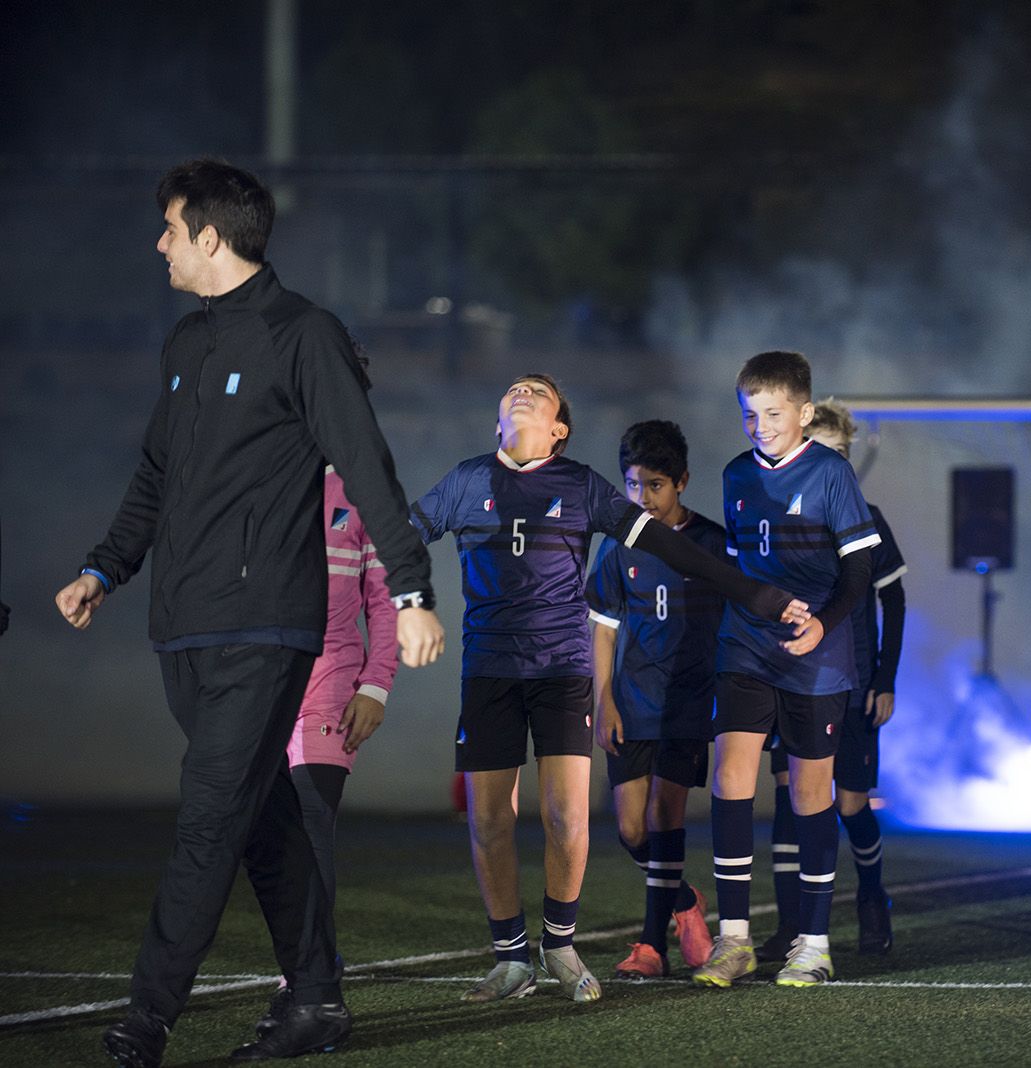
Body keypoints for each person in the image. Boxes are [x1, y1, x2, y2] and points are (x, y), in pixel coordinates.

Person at [54, 158, 444, 1068]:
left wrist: (414, 590)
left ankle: (145, 1022)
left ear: (211, 237)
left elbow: (369, 464)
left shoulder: (304, 334)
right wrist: (104, 568)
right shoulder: (186, 342)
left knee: (207, 821)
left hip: (265, 625)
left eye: (170, 229)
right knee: (262, 819)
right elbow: (156, 475)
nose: (159, 244)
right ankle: (315, 1000)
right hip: (181, 628)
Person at [408, 374, 807, 1006]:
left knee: (568, 814)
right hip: (488, 670)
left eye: (537, 393)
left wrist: (760, 595)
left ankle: (560, 946)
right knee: (490, 817)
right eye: (513, 390)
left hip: (563, 671)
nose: (522, 393)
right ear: (496, 422)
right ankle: (510, 958)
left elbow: (678, 551)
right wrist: (403, 595)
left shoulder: (581, 486)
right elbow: (399, 536)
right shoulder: (466, 480)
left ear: (558, 429)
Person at [692, 352, 880, 990]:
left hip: (817, 655)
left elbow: (860, 573)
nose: (760, 424)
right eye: (750, 413)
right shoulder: (735, 475)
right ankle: (735, 939)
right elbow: (743, 570)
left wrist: (824, 624)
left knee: (807, 795)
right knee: (730, 774)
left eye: (773, 413)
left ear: (803, 412)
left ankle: (814, 942)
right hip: (746, 646)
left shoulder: (832, 474)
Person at [254, 446, 399, 1036]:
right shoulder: (256, 474)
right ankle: (313, 968)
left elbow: (385, 601)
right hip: (261, 685)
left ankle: (306, 986)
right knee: (264, 835)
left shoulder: (363, 489)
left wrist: (377, 685)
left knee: (311, 826)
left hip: (331, 683)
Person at [758, 399, 905, 960]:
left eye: (842, 454)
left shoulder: (864, 517)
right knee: (788, 798)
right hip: (789, 676)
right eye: (823, 451)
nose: (832, 463)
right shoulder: (776, 514)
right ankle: (788, 924)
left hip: (850, 681)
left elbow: (893, 597)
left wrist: (884, 676)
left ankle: (873, 899)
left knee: (848, 805)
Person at [586, 420, 720, 979]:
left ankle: (650, 947)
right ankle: (686, 902)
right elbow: (603, 627)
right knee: (631, 830)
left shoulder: (714, 543)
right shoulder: (620, 545)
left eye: (656, 485)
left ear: (682, 482)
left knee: (666, 820)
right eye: (633, 485)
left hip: (686, 704)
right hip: (633, 702)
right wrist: (604, 699)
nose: (643, 498)